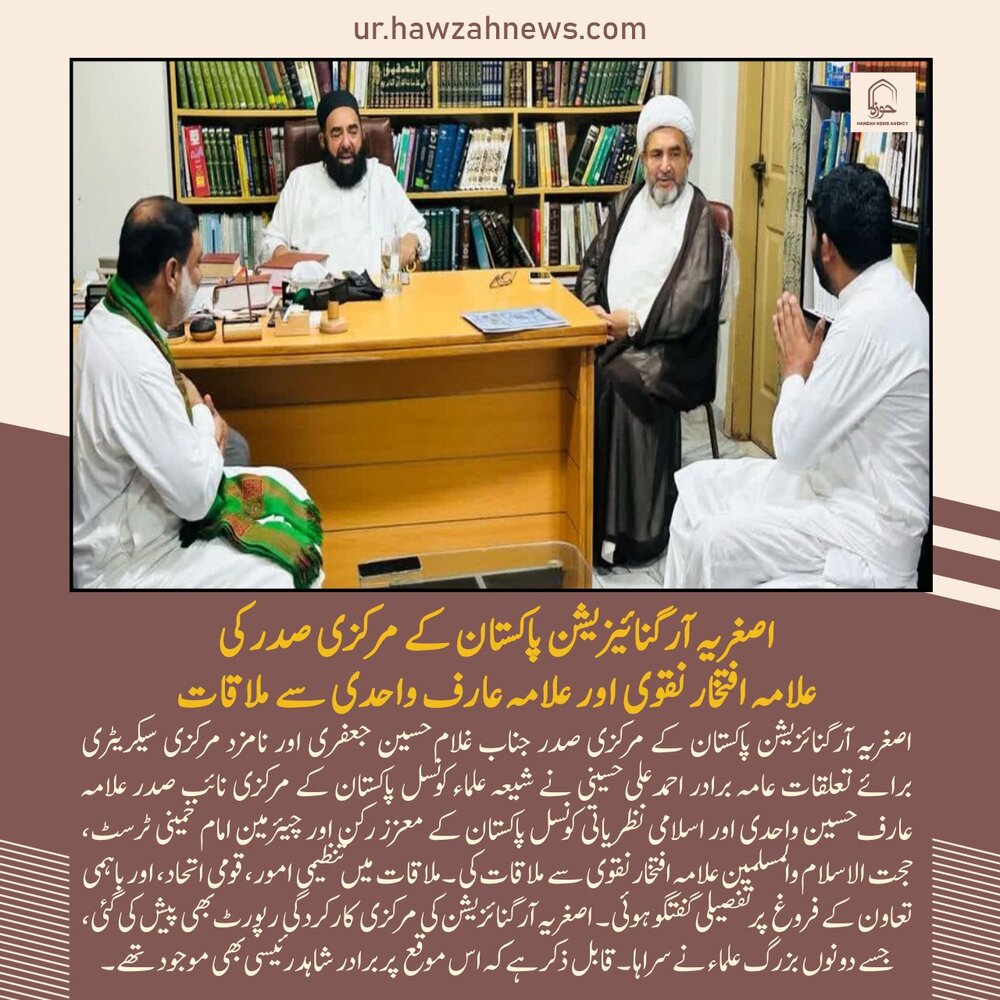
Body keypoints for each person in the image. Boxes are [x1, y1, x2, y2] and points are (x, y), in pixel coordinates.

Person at [662, 164, 929, 589]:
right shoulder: (889, 295)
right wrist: (815, 373)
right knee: (697, 485)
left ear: (826, 247)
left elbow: (791, 450)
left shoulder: (866, 319)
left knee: (713, 541)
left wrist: (794, 372)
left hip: (863, 534)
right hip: (837, 492)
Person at [74, 196, 324, 589]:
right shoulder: (134, 366)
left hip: (136, 519)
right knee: (287, 570)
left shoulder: (108, 317)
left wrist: (194, 409)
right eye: (197, 264)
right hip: (125, 565)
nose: (201, 275)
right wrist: (208, 426)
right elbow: (196, 499)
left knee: (283, 481)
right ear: (172, 274)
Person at [576, 95, 725, 566]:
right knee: (579, 369)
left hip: (675, 351)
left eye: (674, 154)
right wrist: (593, 310)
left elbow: (690, 303)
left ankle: (636, 532)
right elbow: (592, 263)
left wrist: (634, 323)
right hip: (615, 334)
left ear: (689, 158)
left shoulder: (700, 217)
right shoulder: (626, 202)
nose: (665, 167)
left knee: (619, 378)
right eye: (656, 154)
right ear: (642, 158)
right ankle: (586, 517)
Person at [260, 90, 430, 274]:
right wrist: (283, 254)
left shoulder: (381, 176)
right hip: (319, 289)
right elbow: (270, 242)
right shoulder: (300, 180)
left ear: (362, 135)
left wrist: (411, 239)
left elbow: (419, 232)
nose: (346, 143)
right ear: (323, 140)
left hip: (378, 288)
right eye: (336, 134)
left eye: (353, 132)